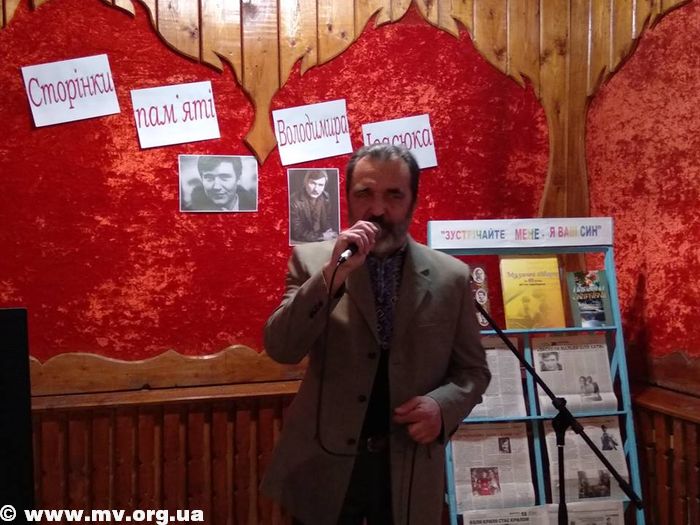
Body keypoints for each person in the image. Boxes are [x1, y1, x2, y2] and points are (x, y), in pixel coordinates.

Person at [262, 144, 491, 525]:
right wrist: (331, 277)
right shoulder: (312, 262)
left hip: (408, 468)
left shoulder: (451, 277)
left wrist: (443, 407)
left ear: (413, 200)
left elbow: (474, 371)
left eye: (394, 195)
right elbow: (281, 348)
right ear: (347, 198)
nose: (378, 209)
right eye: (364, 193)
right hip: (325, 468)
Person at [186, 155, 256, 211]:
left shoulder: (255, 206)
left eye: (224, 177)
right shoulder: (188, 212)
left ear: (238, 179)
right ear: (202, 180)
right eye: (209, 178)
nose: (216, 187)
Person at [290, 170, 339, 243]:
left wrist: (329, 230)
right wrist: (322, 236)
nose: (316, 189)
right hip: (301, 240)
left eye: (320, 185)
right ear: (305, 183)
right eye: (313, 183)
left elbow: (327, 219)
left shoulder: (326, 197)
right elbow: (297, 231)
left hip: (320, 239)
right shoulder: (294, 200)